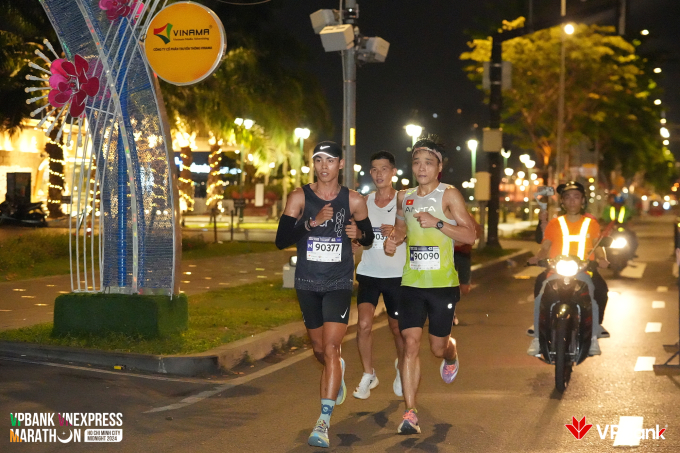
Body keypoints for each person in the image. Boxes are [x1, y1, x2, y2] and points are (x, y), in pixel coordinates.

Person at [275, 141, 374, 448]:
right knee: (319, 350)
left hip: (338, 284)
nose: (323, 166)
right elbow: (281, 240)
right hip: (306, 283)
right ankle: (337, 371)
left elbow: (368, 237)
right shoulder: (299, 197)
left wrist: (359, 234)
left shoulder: (354, 200)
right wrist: (312, 222)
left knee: (331, 348)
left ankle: (322, 422)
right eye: (318, 160)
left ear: (340, 164)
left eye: (330, 160)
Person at [384, 136, 476, 435]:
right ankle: (410, 412)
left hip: (442, 285)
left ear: (439, 167)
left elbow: (469, 235)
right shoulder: (404, 197)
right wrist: (394, 239)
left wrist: (437, 223)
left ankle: (451, 352)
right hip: (411, 283)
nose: (421, 168)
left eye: (428, 162)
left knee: (437, 348)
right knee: (410, 344)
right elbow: (401, 227)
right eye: (416, 162)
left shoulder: (449, 195)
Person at [527, 181, 610, 357]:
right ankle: (537, 337)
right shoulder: (554, 224)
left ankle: (594, 335)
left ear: (583, 201)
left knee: (598, 292)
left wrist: (602, 259)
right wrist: (538, 257)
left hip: (583, 271)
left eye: (576, 197)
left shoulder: (591, 223)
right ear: (562, 202)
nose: (572, 201)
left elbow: (598, 245)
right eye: (568, 197)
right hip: (557, 271)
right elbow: (545, 246)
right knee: (541, 293)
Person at [351, 151, 406, 400]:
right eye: (374, 169)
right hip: (369, 272)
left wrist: (398, 231)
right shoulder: (364, 202)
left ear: (393, 171)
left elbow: (415, 232)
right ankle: (368, 373)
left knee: (398, 329)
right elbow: (360, 237)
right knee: (363, 325)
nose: (379, 173)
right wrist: (354, 240)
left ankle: (402, 368)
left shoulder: (403, 201)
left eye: (384, 168)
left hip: (396, 275)